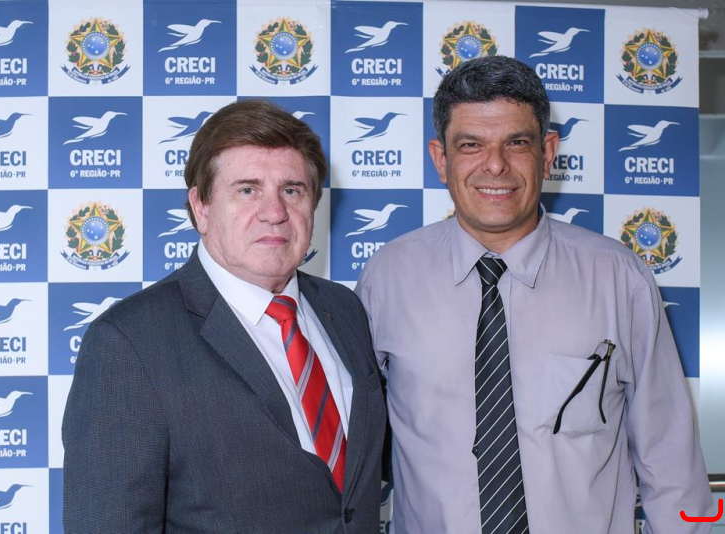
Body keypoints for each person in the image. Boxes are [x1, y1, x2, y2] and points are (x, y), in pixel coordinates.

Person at [356, 56, 713, 533]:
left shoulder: (619, 277)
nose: (495, 165)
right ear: (441, 159)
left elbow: (670, 460)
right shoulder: (386, 278)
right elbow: (353, 447)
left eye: (516, 143)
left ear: (547, 153)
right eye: (471, 144)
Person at [63, 99, 386, 533]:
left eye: (292, 190)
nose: (275, 213)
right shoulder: (128, 342)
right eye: (247, 190)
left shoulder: (344, 309)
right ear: (201, 207)